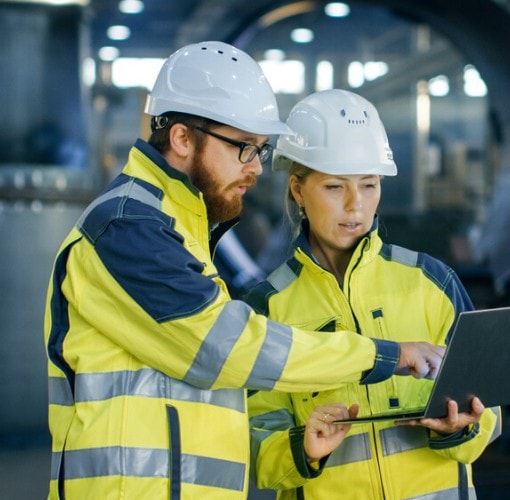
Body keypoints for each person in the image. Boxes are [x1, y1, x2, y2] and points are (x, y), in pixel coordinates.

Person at [42, 42, 444, 500]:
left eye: (260, 150)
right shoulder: (128, 227)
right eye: (244, 148)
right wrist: (381, 355)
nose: (255, 168)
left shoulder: (179, 228)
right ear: (182, 139)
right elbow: (226, 347)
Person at [244, 89, 501, 499]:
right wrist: (304, 450)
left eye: (368, 184)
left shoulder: (432, 282)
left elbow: (490, 408)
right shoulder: (267, 308)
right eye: (333, 187)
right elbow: (256, 446)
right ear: (297, 190)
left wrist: (464, 426)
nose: (355, 205)